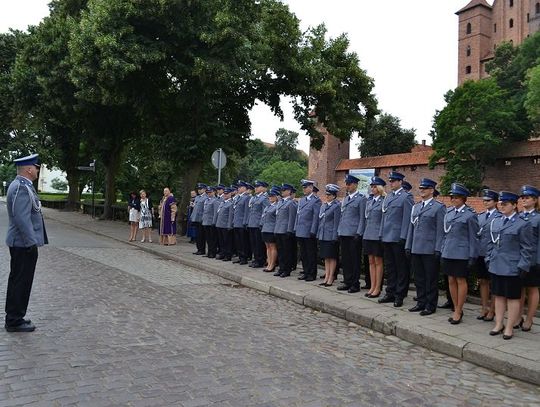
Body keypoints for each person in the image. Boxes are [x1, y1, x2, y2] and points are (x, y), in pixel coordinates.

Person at [5, 153, 47, 332]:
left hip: (23, 243)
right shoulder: (21, 187)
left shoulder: (24, 185)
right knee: (20, 281)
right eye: (36, 167)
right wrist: (31, 243)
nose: (37, 169)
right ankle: (14, 320)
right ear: (29, 169)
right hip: (23, 244)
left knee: (20, 281)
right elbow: (21, 218)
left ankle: (16, 316)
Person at [486, 191, 533, 340]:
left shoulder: (523, 223)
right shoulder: (497, 221)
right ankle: (499, 323)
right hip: (497, 265)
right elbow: (491, 242)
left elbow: (527, 248)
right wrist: (489, 258)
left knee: (513, 298)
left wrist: (523, 266)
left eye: (505, 204)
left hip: (513, 267)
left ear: (514, 205)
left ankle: (509, 327)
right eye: (501, 204)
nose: (502, 206)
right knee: (498, 296)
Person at [405, 178, 446, 316]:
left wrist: (438, 249)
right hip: (416, 247)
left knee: (430, 279)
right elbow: (411, 228)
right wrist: (408, 245)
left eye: (425, 188)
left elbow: (441, 230)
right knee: (419, 278)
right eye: (421, 188)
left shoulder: (438, 207)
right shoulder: (416, 207)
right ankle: (420, 302)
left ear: (431, 190)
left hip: (430, 249)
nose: (421, 190)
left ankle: (430, 304)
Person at [441, 183, 479, 325]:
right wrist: (443, 248)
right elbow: (445, 234)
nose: (453, 199)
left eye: (456, 197)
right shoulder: (449, 212)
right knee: (451, 280)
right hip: (449, 251)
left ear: (463, 199)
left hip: (462, 253)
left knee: (460, 280)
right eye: (452, 197)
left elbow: (473, 237)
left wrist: (472, 255)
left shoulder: (470, 215)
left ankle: (459, 309)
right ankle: (455, 307)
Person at [379, 171, 414, 307]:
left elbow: (407, 219)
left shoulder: (406, 197)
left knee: (401, 268)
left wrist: (403, 237)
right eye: (390, 181)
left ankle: (400, 294)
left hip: (398, 238)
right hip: (388, 236)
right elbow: (384, 217)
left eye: (394, 181)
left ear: (400, 182)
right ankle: (390, 292)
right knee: (390, 267)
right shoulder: (388, 198)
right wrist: (381, 234)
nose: (391, 183)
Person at [336, 174, 367, 293]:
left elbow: (362, 218)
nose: (347, 186)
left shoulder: (361, 199)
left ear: (355, 184)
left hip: (354, 234)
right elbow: (343, 216)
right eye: (346, 184)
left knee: (355, 260)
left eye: (349, 184)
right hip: (344, 232)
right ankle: (347, 281)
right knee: (346, 259)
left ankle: (355, 283)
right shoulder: (346, 199)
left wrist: (359, 233)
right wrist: (339, 230)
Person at [475, 189, 501, 321]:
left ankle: (493, 309)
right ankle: (484, 307)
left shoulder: (499, 217)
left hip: (492, 254)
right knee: (483, 281)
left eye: (488, 200)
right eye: (484, 200)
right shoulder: (479, 216)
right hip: (480, 253)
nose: (485, 202)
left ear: (496, 202)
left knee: (493, 282)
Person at [518, 185, 540, 332]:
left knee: (532, 289)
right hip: (517, 259)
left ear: (535, 200)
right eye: (523, 197)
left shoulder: (538, 218)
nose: (524, 200)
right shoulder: (518, 216)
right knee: (518, 289)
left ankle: (530, 319)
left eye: (527, 197)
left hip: (533, 259)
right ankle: (517, 316)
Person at [362, 176, 387, 298]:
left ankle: (378, 287)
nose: (372, 188)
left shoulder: (384, 201)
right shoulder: (370, 201)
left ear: (380, 188)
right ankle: (372, 286)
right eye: (371, 186)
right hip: (368, 234)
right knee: (370, 262)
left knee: (378, 262)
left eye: (374, 186)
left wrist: (381, 234)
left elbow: (384, 220)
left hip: (377, 235)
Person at [295, 180, 322, 282]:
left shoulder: (316, 201)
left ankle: (312, 274)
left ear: (311, 188)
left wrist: (313, 231)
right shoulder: (302, 200)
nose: (304, 189)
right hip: (301, 230)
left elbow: (316, 217)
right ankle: (305, 272)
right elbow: (298, 216)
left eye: (305, 187)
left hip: (309, 231)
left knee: (311, 254)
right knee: (304, 254)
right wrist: (296, 228)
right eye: (303, 187)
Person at [317, 184, 341, 287]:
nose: (327, 196)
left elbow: (336, 223)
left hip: (331, 235)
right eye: (326, 194)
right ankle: (326, 276)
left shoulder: (336, 206)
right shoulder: (324, 205)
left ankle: (331, 277)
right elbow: (321, 222)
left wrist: (334, 237)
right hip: (323, 235)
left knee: (332, 257)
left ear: (334, 196)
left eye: (329, 195)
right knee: (326, 257)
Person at [273, 184, 298, 277]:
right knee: (280, 251)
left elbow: (292, 218)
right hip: (279, 229)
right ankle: (281, 268)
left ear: (289, 191)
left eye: (284, 190)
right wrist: (275, 229)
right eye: (282, 190)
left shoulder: (291, 203)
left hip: (285, 230)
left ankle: (287, 270)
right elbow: (278, 217)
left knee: (287, 252)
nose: (282, 192)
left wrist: (289, 230)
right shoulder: (280, 202)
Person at [247, 181, 270, 268]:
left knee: (259, 244)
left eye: (258, 186)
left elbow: (265, 212)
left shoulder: (265, 198)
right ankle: (256, 259)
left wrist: (261, 223)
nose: (255, 188)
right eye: (255, 186)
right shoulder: (255, 198)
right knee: (253, 243)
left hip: (258, 224)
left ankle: (260, 260)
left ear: (264, 188)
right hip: (252, 223)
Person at [260, 187, 281, 272]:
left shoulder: (277, 206)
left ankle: (272, 264)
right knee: (267, 247)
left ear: (276, 197)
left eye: (272, 196)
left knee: (272, 247)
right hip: (265, 229)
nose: (270, 198)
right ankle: (268, 263)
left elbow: (277, 219)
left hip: (271, 229)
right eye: (269, 196)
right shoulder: (267, 207)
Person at [232, 181, 251, 265]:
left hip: (242, 223)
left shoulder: (247, 198)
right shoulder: (238, 197)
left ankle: (244, 258)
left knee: (243, 242)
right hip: (236, 222)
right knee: (238, 241)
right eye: (238, 187)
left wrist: (245, 222)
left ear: (244, 188)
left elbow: (247, 211)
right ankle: (240, 256)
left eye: (240, 187)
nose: (238, 188)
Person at [215, 188, 234, 261]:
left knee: (227, 241)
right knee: (221, 241)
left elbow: (230, 216)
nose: (225, 195)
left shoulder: (230, 203)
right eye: (224, 194)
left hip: (226, 225)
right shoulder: (222, 203)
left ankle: (228, 255)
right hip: (219, 224)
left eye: (227, 194)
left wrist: (229, 225)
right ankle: (222, 253)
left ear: (230, 194)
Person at [202, 186, 220, 258]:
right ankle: (209, 252)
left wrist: (214, 222)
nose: (209, 193)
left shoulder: (215, 200)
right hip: (206, 222)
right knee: (208, 239)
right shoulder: (206, 200)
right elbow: (204, 211)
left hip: (211, 222)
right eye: (208, 192)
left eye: (210, 192)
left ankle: (213, 253)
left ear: (214, 192)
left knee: (213, 239)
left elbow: (216, 212)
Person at [191, 183, 207, 255]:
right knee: (197, 235)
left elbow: (205, 210)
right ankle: (198, 249)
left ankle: (202, 250)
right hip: (196, 219)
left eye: (200, 189)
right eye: (198, 189)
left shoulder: (205, 198)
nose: (199, 190)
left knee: (201, 235)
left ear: (204, 189)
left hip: (201, 219)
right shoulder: (197, 197)